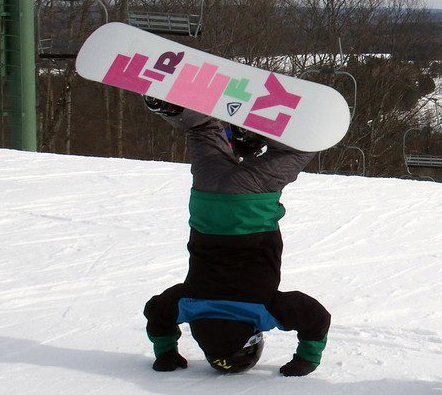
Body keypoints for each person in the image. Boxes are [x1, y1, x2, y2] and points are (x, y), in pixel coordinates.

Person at [141, 97, 330, 376]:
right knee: (203, 130)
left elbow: (316, 318)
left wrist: (306, 360)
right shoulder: (188, 305)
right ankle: (176, 109)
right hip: (207, 199)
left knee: (300, 149)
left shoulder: (261, 310)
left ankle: (260, 131)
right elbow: (156, 312)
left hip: (250, 200)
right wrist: (166, 353)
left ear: (252, 342)